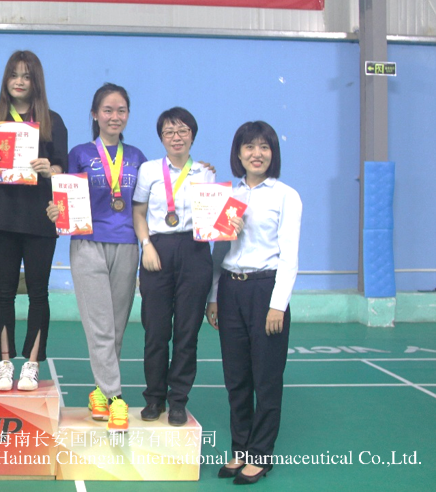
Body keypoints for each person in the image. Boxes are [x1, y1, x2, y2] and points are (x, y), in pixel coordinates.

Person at [205, 121, 302, 484]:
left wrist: (278, 304)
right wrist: (214, 296)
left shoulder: (286, 196)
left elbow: (289, 255)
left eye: (264, 147)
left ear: (273, 153)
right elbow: (219, 252)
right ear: (239, 153)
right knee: (236, 377)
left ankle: (261, 454)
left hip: (266, 289)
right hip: (231, 290)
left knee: (266, 377)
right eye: (249, 147)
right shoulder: (226, 195)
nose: (256, 154)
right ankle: (241, 448)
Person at [48, 83, 146, 431]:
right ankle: (116, 397)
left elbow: (147, 202)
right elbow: (65, 196)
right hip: (88, 244)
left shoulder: (137, 157)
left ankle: (100, 393)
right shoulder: (79, 154)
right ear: (95, 114)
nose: (114, 116)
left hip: (127, 245)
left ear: (128, 115)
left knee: (116, 328)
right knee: (100, 325)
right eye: (107, 110)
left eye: (121, 110)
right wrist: (56, 210)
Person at [0, 50, 68, 392]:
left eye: (26, 75)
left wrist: (50, 168)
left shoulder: (52, 120)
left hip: (41, 220)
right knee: (3, 294)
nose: (19, 81)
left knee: (38, 294)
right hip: (4, 219)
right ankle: (4, 363)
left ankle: (32, 364)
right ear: (6, 80)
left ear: (36, 81)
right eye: (14, 75)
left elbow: (62, 168)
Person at [133, 107, 214, 426]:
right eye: (169, 132)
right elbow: (138, 213)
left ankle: (178, 399)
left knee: (187, 332)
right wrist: (146, 245)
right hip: (157, 251)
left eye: (182, 131)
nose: (176, 137)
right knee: (155, 331)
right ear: (161, 137)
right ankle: (154, 397)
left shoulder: (206, 173)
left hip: (195, 252)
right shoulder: (149, 170)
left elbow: (213, 218)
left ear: (192, 135)